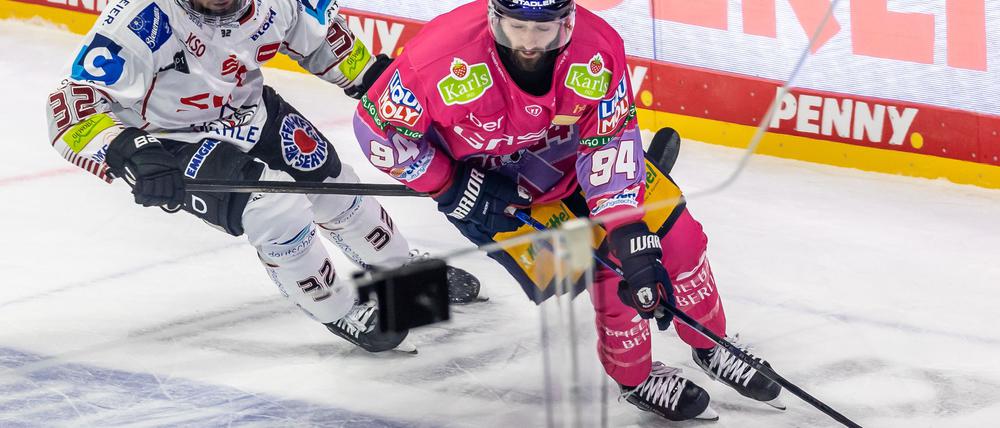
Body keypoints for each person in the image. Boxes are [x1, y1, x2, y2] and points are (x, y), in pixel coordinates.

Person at [353, 0, 784, 420]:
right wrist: (450, 185)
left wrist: (626, 226)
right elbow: (376, 133)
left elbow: (610, 137)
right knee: (607, 272)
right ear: (493, 15)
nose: (528, 43)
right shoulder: (440, 58)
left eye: (543, 29)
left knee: (678, 239)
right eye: (515, 27)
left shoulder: (597, 48)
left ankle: (712, 345)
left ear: (568, 18)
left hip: (572, 159)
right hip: (497, 194)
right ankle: (636, 379)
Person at [44, 0, 483, 354]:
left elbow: (331, 51)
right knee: (275, 208)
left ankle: (397, 269)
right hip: (168, 138)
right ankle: (337, 307)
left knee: (333, 186)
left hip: (250, 113)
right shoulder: (141, 20)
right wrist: (130, 153)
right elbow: (68, 109)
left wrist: (385, 90)